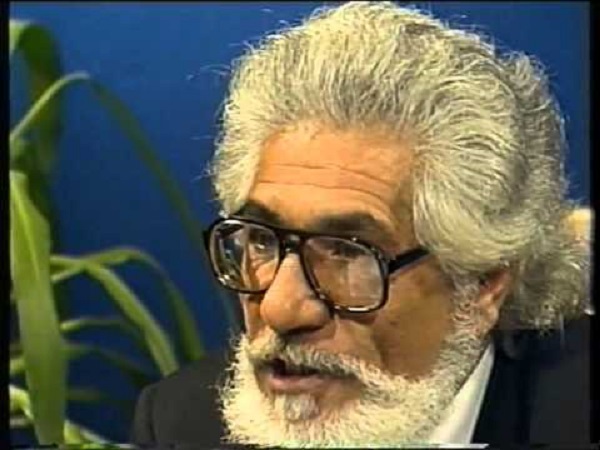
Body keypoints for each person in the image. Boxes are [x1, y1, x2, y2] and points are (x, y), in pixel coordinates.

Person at [130, 2, 592, 446]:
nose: (280, 309)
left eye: (348, 252)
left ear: (483, 284)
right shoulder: (179, 425)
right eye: (263, 242)